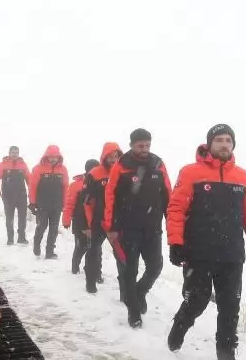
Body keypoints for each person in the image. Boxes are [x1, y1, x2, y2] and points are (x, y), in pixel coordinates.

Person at [165, 124, 246, 360]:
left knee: (230, 307)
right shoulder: (190, 173)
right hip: (197, 251)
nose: (223, 144)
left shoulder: (243, 177)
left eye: (228, 140)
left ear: (233, 146)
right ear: (209, 144)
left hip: (231, 254)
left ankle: (226, 357)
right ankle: (180, 324)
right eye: (219, 139)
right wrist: (175, 243)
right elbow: (176, 209)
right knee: (198, 300)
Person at [104, 128, 171, 328]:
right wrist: (111, 226)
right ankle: (133, 311)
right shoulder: (122, 165)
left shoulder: (158, 164)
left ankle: (140, 292)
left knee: (155, 266)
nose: (145, 149)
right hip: (128, 228)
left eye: (148, 145)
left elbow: (168, 193)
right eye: (141, 145)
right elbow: (110, 196)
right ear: (132, 145)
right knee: (129, 271)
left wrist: (172, 221)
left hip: (153, 227)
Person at [82, 142, 123, 297]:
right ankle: (90, 281)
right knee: (93, 252)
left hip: (118, 222)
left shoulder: (125, 172)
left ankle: (124, 291)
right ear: (104, 157)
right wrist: (90, 222)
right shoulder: (94, 174)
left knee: (122, 256)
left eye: (116, 156)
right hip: (99, 221)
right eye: (110, 156)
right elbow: (86, 202)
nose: (114, 159)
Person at [28, 145, 69, 259]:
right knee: (42, 225)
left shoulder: (63, 169)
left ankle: (50, 251)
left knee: (54, 228)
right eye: (50, 156)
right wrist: (32, 202)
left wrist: (65, 203)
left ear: (59, 157)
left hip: (57, 203)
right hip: (42, 203)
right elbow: (33, 186)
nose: (52, 159)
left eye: (55, 157)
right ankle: (36, 245)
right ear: (46, 156)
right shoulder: (38, 168)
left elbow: (66, 187)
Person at [63, 158, 100, 274]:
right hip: (80, 221)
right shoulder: (76, 185)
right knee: (81, 247)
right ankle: (75, 267)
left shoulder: (101, 183)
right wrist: (66, 220)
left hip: (95, 221)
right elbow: (69, 204)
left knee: (96, 249)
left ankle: (95, 272)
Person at [0, 145, 31, 245]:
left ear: (18, 154)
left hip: (21, 195)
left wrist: (32, 193)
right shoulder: (3, 164)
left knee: (22, 216)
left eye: (16, 152)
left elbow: (30, 180)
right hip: (8, 195)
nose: (15, 154)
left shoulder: (23, 165)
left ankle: (21, 237)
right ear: (9, 153)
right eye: (13, 152)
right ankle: (10, 238)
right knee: (9, 217)